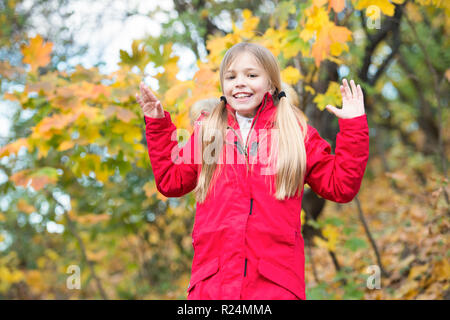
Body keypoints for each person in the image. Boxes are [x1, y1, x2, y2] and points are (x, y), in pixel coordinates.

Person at [136, 42, 369, 300]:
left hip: (276, 284)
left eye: (251, 75)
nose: (240, 83)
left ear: (270, 83)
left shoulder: (294, 133)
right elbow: (171, 181)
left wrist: (353, 126)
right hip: (212, 285)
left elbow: (341, 186)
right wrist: (158, 125)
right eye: (231, 76)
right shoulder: (209, 132)